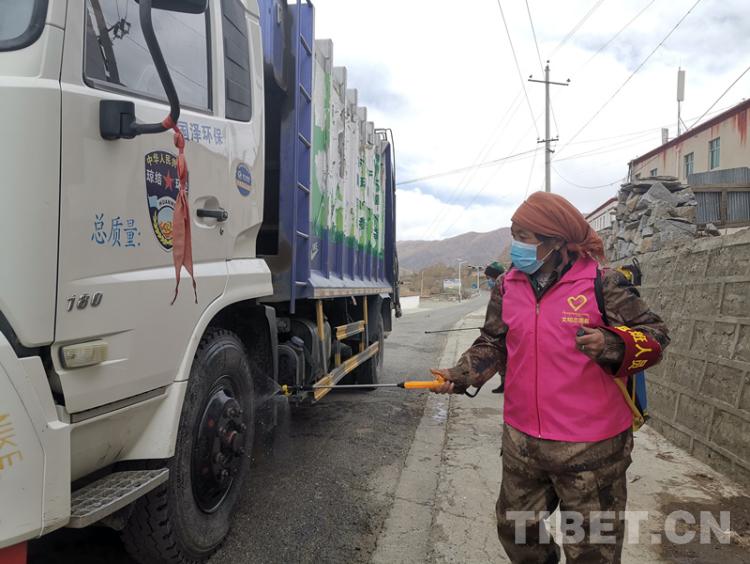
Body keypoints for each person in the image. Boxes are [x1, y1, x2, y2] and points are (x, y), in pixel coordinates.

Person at [431, 191, 669, 564]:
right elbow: (494, 341)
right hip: (523, 443)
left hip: (592, 449)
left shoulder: (602, 284)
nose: (516, 246)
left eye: (525, 237)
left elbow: (655, 335)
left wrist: (612, 343)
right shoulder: (507, 286)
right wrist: (463, 374)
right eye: (514, 234)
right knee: (516, 531)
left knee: (592, 550)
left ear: (555, 241)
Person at [483, 261, 506, 394]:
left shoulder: (506, 286)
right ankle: (504, 383)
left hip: (505, 331)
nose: (489, 281)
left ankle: (507, 384)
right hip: (497, 330)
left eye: (489, 278)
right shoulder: (496, 288)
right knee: (502, 361)